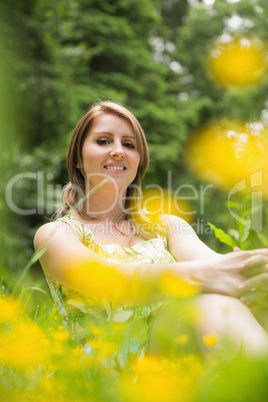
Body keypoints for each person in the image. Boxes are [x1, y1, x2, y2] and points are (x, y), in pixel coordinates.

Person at [34, 101, 268, 365]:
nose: (118, 151)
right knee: (211, 300)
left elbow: (210, 262)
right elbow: (114, 281)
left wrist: (252, 272)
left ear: (139, 161)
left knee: (232, 301)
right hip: (107, 372)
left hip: (177, 353)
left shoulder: (167, 226)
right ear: (78, 158)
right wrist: (219, 274)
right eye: (103, 141)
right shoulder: (55, 235)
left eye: (130, 145)